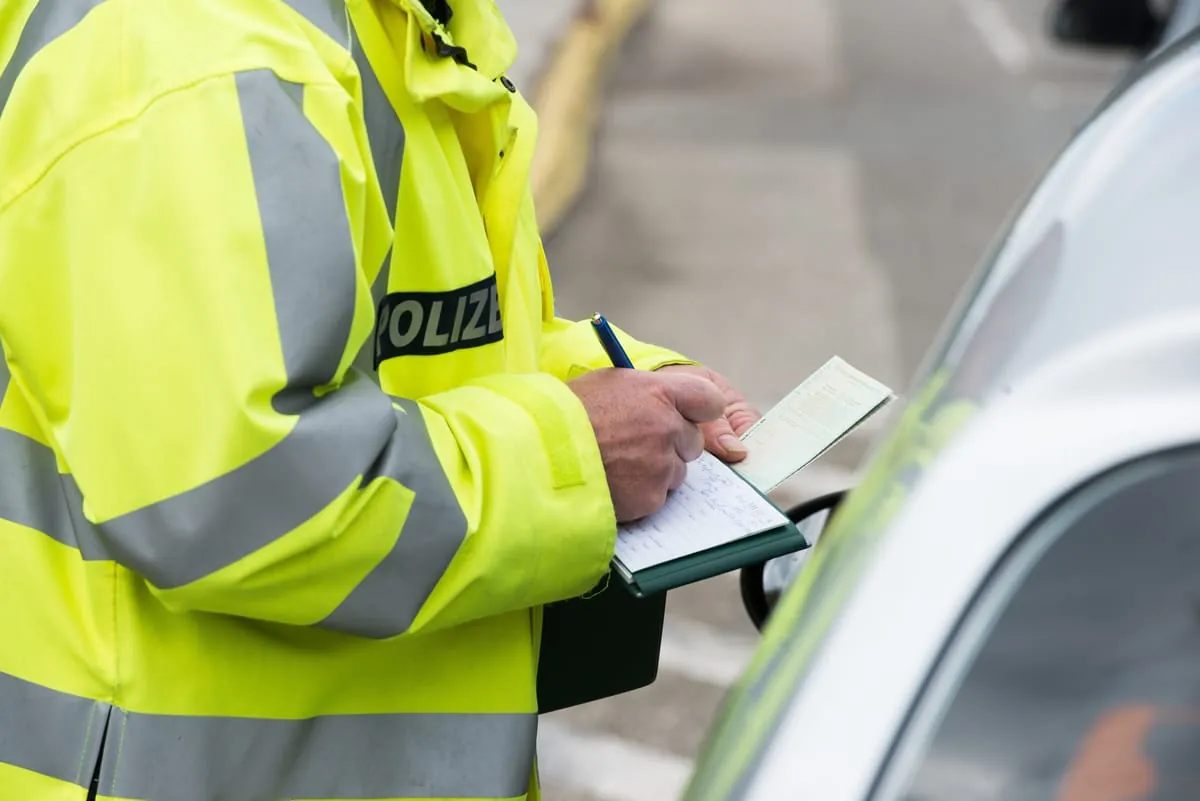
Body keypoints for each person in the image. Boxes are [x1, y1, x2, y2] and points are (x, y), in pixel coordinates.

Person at [0, 1, 760, 799]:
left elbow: (420, 343)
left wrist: (632, 389)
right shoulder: (200, 57)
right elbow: (236, 491)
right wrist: (574, 450)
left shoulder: (383, 24)